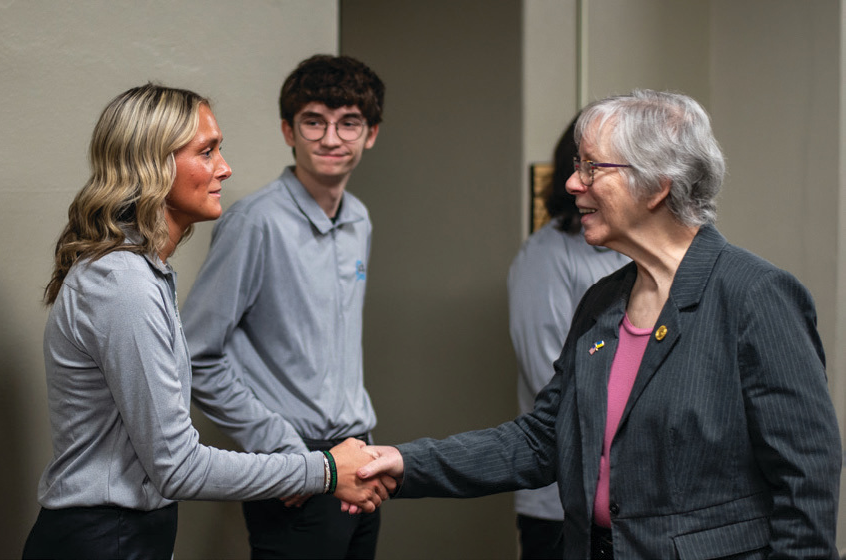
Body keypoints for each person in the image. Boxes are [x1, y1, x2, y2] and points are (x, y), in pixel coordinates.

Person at [354, 89, 842, 558]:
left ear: (656, 185)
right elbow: (541, 440)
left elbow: (806, 480)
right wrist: (405, 463)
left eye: (591, 167)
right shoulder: (602, 302)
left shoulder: (755, 297)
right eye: (576, 166)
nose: (572, 183)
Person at [22, 84, 390, 560]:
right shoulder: (123, 283)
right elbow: (178, 467)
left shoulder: (143, 273)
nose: (225, 167)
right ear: (153, 164)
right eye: (207, 151)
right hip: (103, 537)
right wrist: (323, 470)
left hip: (131, 532)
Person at [181, 55, 384, 559]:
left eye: (349, 124)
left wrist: (361, 451)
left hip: (361, 454)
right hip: (298, 462)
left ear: (371, 134)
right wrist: (283, 451)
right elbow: (195, 354)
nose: (332, 139)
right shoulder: (255, 222)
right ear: (288, 130)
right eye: (314, 121)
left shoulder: (359, 218)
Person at [509, 116, 628, 559]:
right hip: (560, 502)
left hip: (630, 503)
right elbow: (551, 384)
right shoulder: (545, 255)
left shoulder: (629, 255)